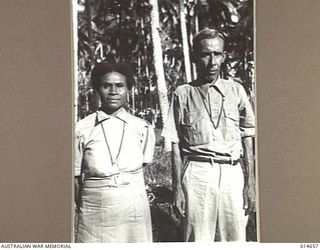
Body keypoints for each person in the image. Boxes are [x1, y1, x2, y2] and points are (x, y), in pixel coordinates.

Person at [162, 28, 256, 242]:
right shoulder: (183, 93)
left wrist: (250, 184)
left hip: (232, 173)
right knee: (197, 238)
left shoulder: (236, 91)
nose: (212, 61)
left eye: (217, 54)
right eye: (206, 54)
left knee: (235, 238)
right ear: (196, 56)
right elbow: (175, 143)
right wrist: (177, 188)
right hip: (198, 174)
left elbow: (248, 136)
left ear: (223, 56)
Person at [74, 62, 155, 243]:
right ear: (97, 89)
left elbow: (142, 164)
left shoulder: (142, 127)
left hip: (133, 205)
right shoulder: (82, 128)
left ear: (128, 90)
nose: (113, 91)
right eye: (106, 86)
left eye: (119, 86)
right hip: (95, 207)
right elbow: (75, 178)